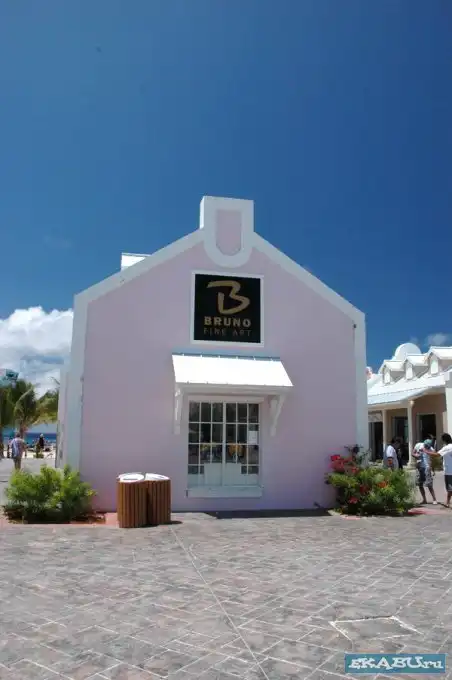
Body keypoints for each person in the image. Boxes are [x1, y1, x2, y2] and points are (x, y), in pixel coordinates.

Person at [428, 433, 452, 508]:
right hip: (449, 470)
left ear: (444, 440)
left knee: (450, 488)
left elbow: (437, 454)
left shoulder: (447, 447)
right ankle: (447, 502)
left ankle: (447, 503)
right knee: (449, 488)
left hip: (449, 471)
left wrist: (426, 451)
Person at [413, 438, 437, 504]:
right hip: (419, 467)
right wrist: (416, 455)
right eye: (426, 446)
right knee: (420, 484)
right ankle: (424, 499)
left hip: (427, 468)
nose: (427, 447)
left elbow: (433, 458)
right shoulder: (418, 445)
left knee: (429, 484)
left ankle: (434, 499)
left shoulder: (431, 449)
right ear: (424, 444)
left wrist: (433, 470)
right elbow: (413, 453)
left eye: (428, 446)